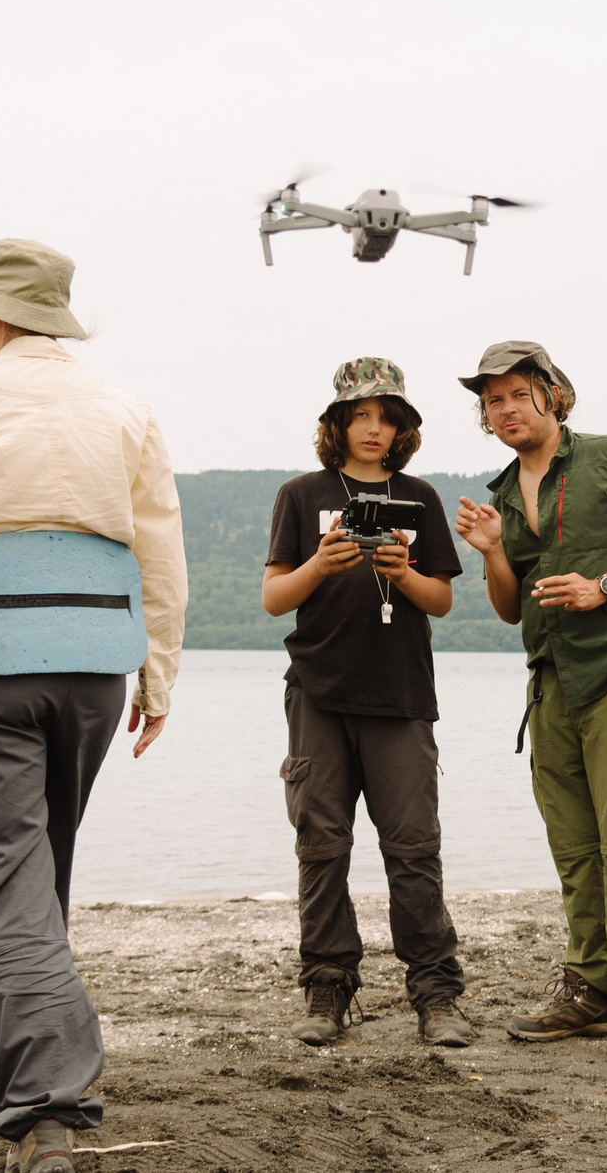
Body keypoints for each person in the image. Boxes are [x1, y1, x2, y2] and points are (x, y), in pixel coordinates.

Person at [0, 239, 186, 1173]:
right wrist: (158, 676)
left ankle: (50, 1106)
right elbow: (160, 551)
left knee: (1, 876)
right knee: (39, 866)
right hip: (99, 665)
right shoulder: (126, 408)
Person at [449, 342, 607, 1065]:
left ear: (552, 395)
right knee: (576, 847)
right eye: (493, 401)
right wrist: (494, 552)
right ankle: (593, 990)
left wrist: (603, 586)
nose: (505, 410)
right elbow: (508, 609)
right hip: (551, 682)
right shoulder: (501, 495)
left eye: (518, 394)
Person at [261, 359, 472, 1047]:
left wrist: (403, 573)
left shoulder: (421, 497)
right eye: (360, 416)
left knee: (413, 848)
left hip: (401, 694)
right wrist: (319, 564)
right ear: (338, 424)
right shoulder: (301, 495)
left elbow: (441, 600)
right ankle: (327, 986)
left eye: (386, 417)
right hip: (317, 692)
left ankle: (436, 994)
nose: (374, 428)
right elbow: (273, 598)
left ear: (403, 427)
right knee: (321, 846)